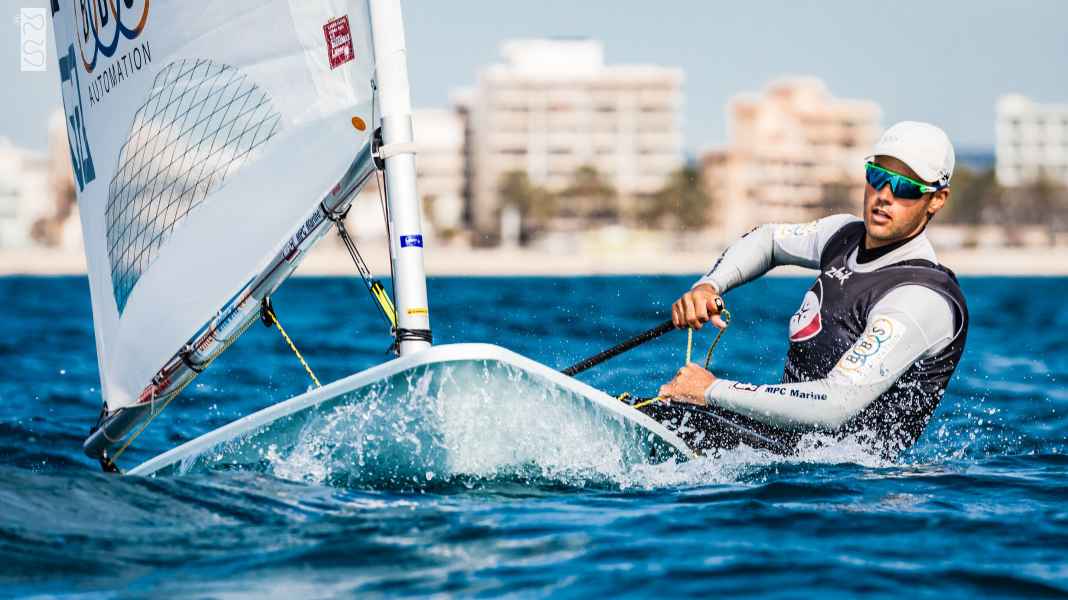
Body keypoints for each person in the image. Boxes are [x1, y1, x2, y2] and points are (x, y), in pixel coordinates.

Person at [657, 121, 969, 458]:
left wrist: (712, 390)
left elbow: (836, 404)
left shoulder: (920, 297)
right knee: (667, 410)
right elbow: (769, 240)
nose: (885, 195)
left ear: (937, 199)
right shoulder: (843, 235)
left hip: (850, 485)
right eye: (877, 177)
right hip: (784, 454)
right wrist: (708, 286)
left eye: (905, 187)